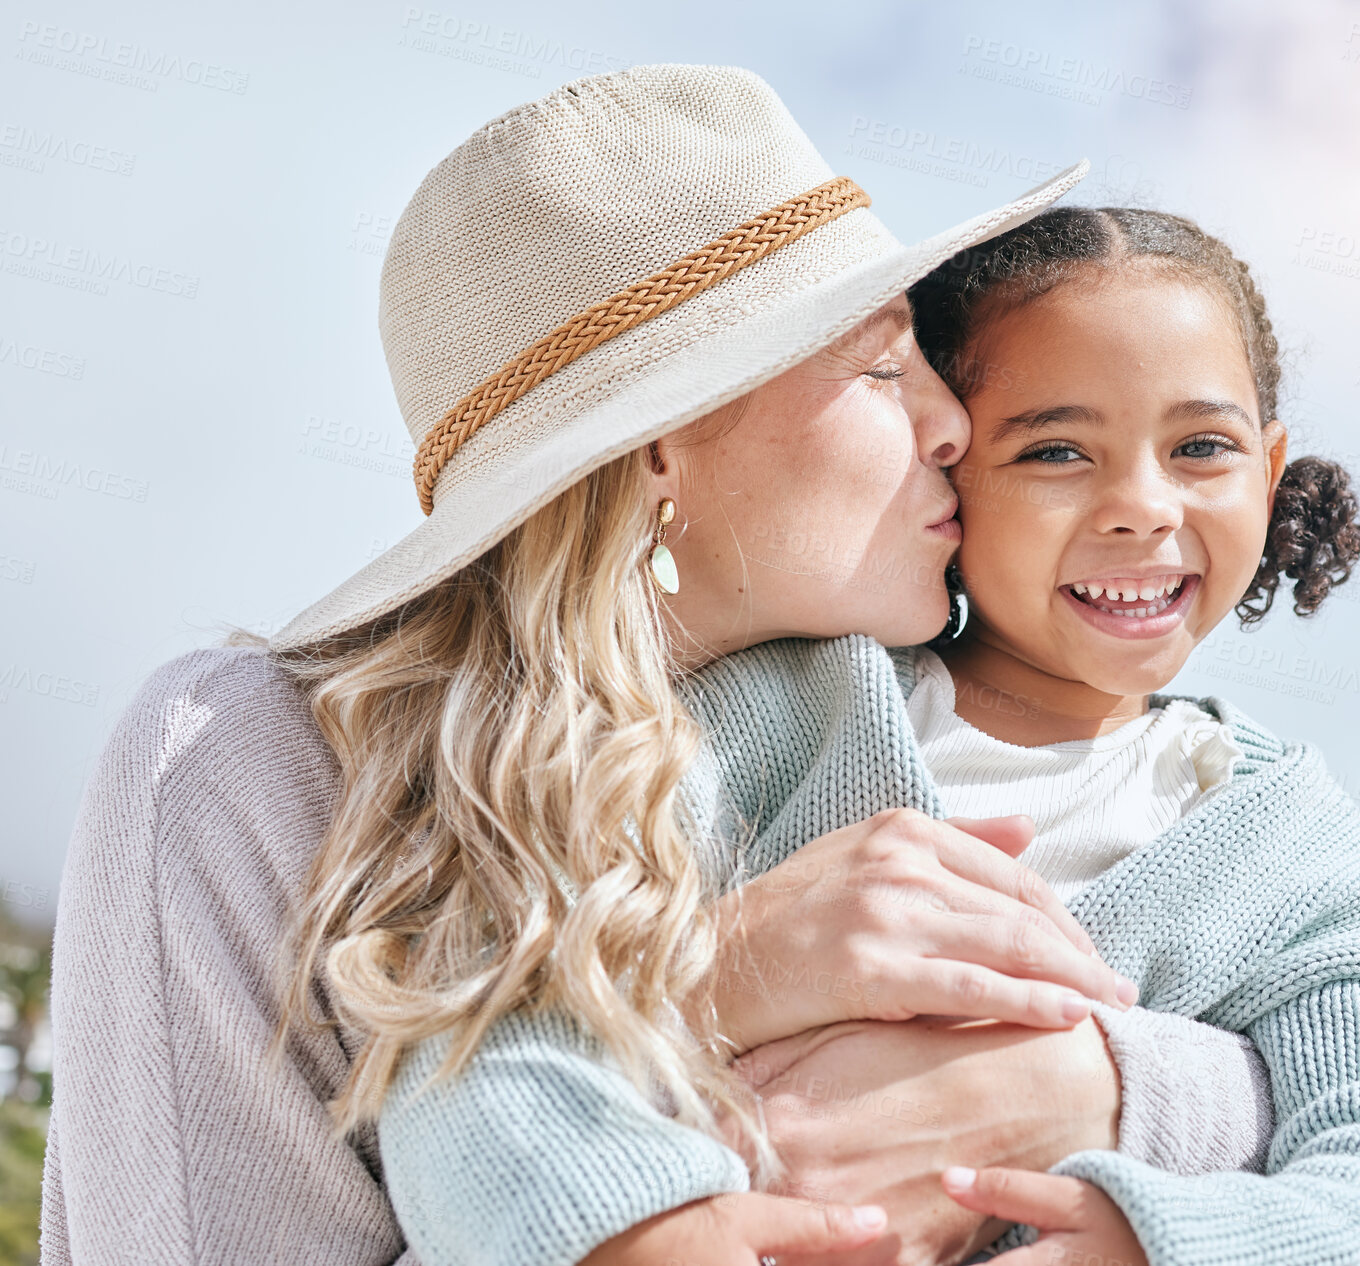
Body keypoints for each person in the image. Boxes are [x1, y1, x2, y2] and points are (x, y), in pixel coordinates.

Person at [40, 65, 1274, 1266]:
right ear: (657, 456)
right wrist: (699, 985)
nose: (950, 422)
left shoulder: (899, 712)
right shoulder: (245, 768)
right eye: (880, 365)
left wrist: (1088, 1084)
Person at [389, 204, 1360, 1265]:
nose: (1141, 504)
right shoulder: (770, 719)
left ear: (1269, 475)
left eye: (1202, 449)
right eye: (1054, 453)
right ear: (949, 471)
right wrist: (627, 1234)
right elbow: (481, 1032)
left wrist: (1160, 1238)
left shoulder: (1288, 846)